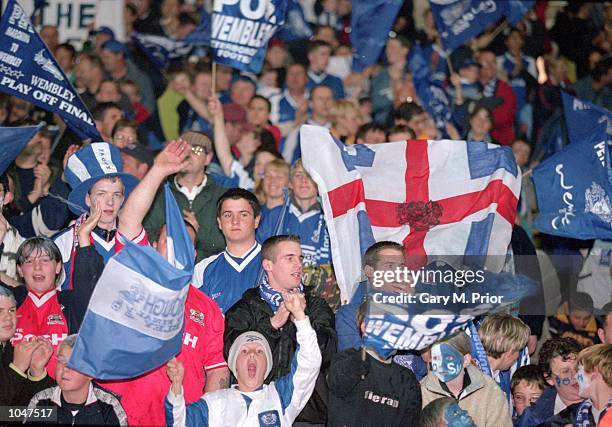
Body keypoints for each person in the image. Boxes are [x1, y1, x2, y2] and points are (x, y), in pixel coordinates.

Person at [98, 140, 230, 426]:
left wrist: (209, 416)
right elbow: (129, 219)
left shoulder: (208, 309)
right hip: (122, 416)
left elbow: (217, 371)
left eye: (184, 245)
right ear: (152, 246)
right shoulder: (135, 277)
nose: (174, 249)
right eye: (167, 242)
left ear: (194, 255)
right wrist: (158, 171)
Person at [224, 235, 336, 424]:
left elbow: (327, 352)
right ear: (268, 265)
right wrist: (272, 325)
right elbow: (233, 354)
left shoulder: (316, 306)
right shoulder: (245, 307)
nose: (298, 265)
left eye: (300, 258)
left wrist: (300, 320)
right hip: (255, 413)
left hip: (307, 415)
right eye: (289, 258)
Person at [165, 292, 322, 426]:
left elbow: (309, 365)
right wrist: (177, 386)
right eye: (245, 351)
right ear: (235, 365)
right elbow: (180, 422)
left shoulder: (281, 397)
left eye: (260, 351)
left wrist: (300, 317)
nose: (252, 354)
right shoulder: (214, 402)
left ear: (267, 365)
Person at [54, 143, 143, 290]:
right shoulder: (64, 242)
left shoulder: (135, 238)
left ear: (123, 199)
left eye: (116, 194)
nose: (110, 202)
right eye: (101, 194)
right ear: (88, 199)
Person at [327, 302, 422, 427]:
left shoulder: (407, 380)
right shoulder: (347, 359)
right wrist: (366, 351)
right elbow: (338, 384)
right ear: (365, 327)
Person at [144, 131, 227, 262]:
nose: (188, 154)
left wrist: (198, 232)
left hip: (210, 274)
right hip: (166, 271)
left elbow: (231, 239)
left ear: (208, 158)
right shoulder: (159, 193)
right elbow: (145, 233)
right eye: (183, 149)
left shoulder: (222, 196)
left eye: (196, 149)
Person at [26, 335, 128, 426]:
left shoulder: (109, 406)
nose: (65, 368)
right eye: (61, 361)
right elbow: (10, 414)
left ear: (91, 373)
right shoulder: (41, 401)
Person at [192, 188, 263, 313]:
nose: (235, 221)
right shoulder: (203, 269)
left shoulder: (275, 263)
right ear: (219, 223)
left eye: (243, 214)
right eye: (228, 215)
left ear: (256, 221)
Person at [420, 332, 513, 427]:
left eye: (448, 357)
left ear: (466, 360)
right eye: (436, 358)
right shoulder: (421, 392)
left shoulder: (490, 389)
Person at [0, 286, 54, 406]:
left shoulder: (12, 352)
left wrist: (36, 370)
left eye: (12, 310)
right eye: (0, 311)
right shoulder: (17, 359)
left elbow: (44, 414)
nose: (8, 317)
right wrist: (17, 368)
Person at [517, 338, 584, 426]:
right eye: (565, 371)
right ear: (549, 379)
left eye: (578, 368)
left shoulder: (603, 400)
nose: (575, 375)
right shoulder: (534, 417)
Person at [475, 313, 531, 404]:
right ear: (510, 351)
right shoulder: (478, 383)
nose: (518, 356)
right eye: (518, 350)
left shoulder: (473, 370)